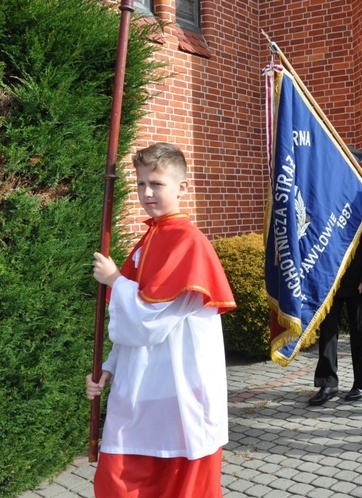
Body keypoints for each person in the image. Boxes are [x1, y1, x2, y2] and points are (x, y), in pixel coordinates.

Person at [85, 142, 236, 497]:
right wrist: (111, 366)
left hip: (179, 393)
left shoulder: (191, 244)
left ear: (183, 187)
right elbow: (129, 325)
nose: (146, 192)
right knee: (116, 484)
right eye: (140, 184)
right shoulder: (147, 240)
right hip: (139, 389)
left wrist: (115, 281)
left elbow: (151, 322)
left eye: (156, 183)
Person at [309, 146, 362, 406]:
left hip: (360, 280)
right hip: (330, 280)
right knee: (327, 333)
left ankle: (360, 384)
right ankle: (327, 383)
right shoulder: (324, 197)